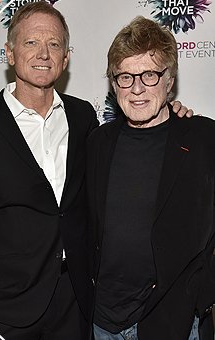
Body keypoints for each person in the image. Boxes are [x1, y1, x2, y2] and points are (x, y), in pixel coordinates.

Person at [0, 3, 191, 339]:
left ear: (65, 58)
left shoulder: (83, 119)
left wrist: (172, 114)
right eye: (31, 42)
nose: (43, 54)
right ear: (10, 53)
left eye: (54, 44)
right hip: (7, 309)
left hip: (77, 303)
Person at [86, 16, 215, 340]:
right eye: (126, 77)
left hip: (173, 321)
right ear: (114, 85)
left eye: (150, 75)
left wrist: (204, 294)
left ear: (169, 80)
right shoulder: (97, 143)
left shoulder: (204, 139)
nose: (138, 88)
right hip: (102, 321)